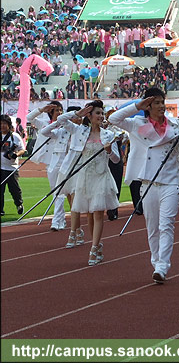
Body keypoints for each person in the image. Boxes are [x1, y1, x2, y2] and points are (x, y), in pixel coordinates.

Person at [109, 87, 179, 284]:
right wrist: (136, 106)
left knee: (166, 224)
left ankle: (162, 266)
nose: (160, 106)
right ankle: (156, 261)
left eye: (162, 102)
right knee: (153, 227)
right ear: (148, 106)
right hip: (148, 183)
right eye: (156, 103)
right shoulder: (136, 124)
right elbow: (113, 119)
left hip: (170, 182)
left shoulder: (176, 124)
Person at [57, 100, 120, 264]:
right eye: (97, 113)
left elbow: (116, 159)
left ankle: (93, 248)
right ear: (89, 115)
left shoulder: (109, 135)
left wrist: (109, 151)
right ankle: (97, 245)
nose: (101, 116)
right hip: (85, 177)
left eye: (102, 113)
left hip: (101, 176)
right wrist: (78, 114)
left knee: (98, 212)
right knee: (90, 215)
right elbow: (61, 120)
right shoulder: (79, 131)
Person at [41, 106, 86, 248]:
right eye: (75, 116)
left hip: (77, 168)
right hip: (60, 168)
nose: (78, 119)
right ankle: (73, 228)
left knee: (74, 200)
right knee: (59, 194)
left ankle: (67, 226)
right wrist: (59, 122)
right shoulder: (61, 131)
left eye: (80, 117)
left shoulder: (83, 132)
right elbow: (44, 131)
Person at [27, 101, 67, 231]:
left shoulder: (66, 126)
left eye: (61, 110)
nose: (59, 113)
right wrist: (41, 109)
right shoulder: (44, 123)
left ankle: (56, 221)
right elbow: (29, 118)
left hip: (62, 160)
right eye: (57, 111)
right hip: (49, 161)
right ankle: (61, 219)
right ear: (51, 112)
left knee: (59, 191)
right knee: (54, 191)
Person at [1, 115, 25, 216]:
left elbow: (22, 149)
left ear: (9, 125)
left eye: (4, 123)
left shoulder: (14, 136)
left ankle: (19, 204)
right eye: (1, 123)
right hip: (0, 168)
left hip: (12, 168)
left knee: (14, 189)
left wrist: (15, 155)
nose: (2, 126)